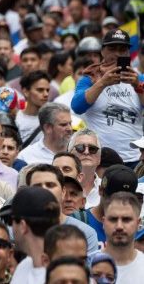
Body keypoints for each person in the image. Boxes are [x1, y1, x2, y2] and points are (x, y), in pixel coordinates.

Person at [72, 28, 144, 166]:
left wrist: (137, 85)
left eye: (122, 49)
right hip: (101, 159)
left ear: (128, 52)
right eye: (112, 48)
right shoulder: (90, 78)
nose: (117, 53)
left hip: (135, 158)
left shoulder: (139, 78)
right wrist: (103, 82)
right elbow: (77, 107)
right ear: (102, 51)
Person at [25, 164, 99, 256]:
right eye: (37, 186)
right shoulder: (18, 230)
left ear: (63, 192)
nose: (44, 190)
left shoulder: (85, 233)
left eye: (50, 185)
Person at [8, 186, 60, 283]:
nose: (12, 227)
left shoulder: (66, 276)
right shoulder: (24, 266)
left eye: (12, 221)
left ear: (23, 226)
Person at [101, 192, 144, 281]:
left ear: (138, 223)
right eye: (113, 219)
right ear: (104, 223)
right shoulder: (86, 266)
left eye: (126, 219)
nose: (119, 226)